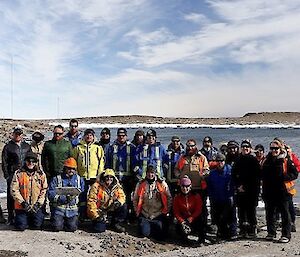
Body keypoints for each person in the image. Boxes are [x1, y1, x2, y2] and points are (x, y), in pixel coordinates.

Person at [262, 139, 298, 243]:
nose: (274, 150)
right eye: (272, 148)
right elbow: (261, 173)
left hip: (283, 191)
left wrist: (284, 177)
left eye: (276, 148)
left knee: (285, 214)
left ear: (280, 148)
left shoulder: (286, 160)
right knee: (270, 213)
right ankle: (271, 233)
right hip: (269, 191)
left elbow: (295, 173)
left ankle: (286, 234)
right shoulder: (266, 160)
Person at [133, 165, 172, 240]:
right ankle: (146, 226)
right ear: (146, 173)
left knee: (161, 235)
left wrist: (166, 211)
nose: (150, 175)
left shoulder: (162, 183)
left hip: (158, 214)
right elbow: (135, 199)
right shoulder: (140, 184)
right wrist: (137, 211)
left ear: (155, 173)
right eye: (148, 172)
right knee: (144, 233)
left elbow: (169, 198)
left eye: (152, 173)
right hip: (145, 214)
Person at [72, 129, 105, 219]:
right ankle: (82, 214)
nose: (89, 137)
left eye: (91, 135)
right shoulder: (78, 147)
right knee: (82, 195)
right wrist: (76, 174)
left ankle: (94, 213)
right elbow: (74, 161)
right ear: (84, 136)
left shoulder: (97, 147)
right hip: (82, 176)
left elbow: (101, 161)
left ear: (93, 136)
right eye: (87, 135)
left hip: (94, 176)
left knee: (94, 195)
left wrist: (100, 174)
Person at [10, 152, 48, 231]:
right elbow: (14, 190)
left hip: (35, 206)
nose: (30, 163)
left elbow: (44, 190)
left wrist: (38, 203)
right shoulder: (18, 173)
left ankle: (31, 218)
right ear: (25, 161)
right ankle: (20, 218)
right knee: (21, 227)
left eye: (33, 161)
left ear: (36, 162)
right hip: (22, 206)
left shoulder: (41, 174)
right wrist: (22, 203)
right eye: (28, 161)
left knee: (37, 225)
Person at [2, 127, 31, 224]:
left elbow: (31, 159)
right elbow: (4, 162)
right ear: (13, 134)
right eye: (16, 134)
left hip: (24, 174)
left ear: (22, 135)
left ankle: (24, 214)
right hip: (12, 174)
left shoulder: (26, 146)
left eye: (20, 134)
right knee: (11, 196)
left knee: (24, 193)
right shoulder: (8, 147)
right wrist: (6, 176)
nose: (18, 136)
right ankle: (11, 216)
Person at [105, 128, 137, 220]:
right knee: (113, 198)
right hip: (115, 179)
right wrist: (108, 177)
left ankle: (125, 217)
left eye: (123, 136)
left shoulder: (131, 147)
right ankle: (113, 216)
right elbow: (108, 162)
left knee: (126, 199)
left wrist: (133, 176)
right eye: (119, 135)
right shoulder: (112, 147)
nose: (121, 137)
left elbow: (134, 163)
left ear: (126, 136)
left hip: (128, 179)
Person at [232, 139, 261, 238]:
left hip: (251, 190)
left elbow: (256, 177)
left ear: (250, 149)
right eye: (243, 147)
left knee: (251, 211)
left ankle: (252, 229)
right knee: (241, 211)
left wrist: (245, 187)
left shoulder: (253, 160)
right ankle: (243, 230)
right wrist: (238, 186)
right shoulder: (238, 160)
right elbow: (234, 174)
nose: (245, 148)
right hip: (240, 190)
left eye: (247, 147)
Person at [48, 157, 85, 232]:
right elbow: (50, 193)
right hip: (59, 209)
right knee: (57, 227)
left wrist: (81, 212)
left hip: (73, 211)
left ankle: (68, 221)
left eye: (73, 168)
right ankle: (57, 219)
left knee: (72, 228)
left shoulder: (79, 180)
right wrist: (61, 198)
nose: (71, 170)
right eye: (69, 168)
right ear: (65, 168)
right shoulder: (57, 179)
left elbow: (82, 197)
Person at [207, 153, 237, 240]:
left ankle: (233, 232)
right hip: (217, 198)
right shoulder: (212, 173)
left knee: (231, 216)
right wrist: (211, 196)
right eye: (218, 161)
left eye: (222, 161)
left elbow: (234, 183)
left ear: (225, 161)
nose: (220, 163)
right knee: (219, 216)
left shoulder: (230, 171)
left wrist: (232, 195)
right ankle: (222, 233)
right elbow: (210, 186)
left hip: (229, 197)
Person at [87, 169, 127, 233]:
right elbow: (91, 202)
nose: (109, 178)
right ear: (103, 177)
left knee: (123, 206)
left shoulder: (117, 187)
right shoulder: (96, 186)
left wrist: (119, 202)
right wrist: (96, 216)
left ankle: (115, 224)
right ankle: (95, 222)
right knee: (99, 229)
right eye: (107, 177)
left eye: (111, 177)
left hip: (110, 208)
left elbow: (122, 197)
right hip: (99, 211)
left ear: (114, 178)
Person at [173, 175, 205, 244]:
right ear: (180, 187)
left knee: (201, 220)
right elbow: (176, 211)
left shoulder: (196, 196)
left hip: (194, 218)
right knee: (179, 228)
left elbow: (198, 209)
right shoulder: (177, 197)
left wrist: (190, 219)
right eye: (183, 186)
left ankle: (201, 239)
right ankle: (185, 240)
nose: (185, 188)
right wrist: (182, 221)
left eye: (187, 186)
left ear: (190, 186)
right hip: (184, 218)